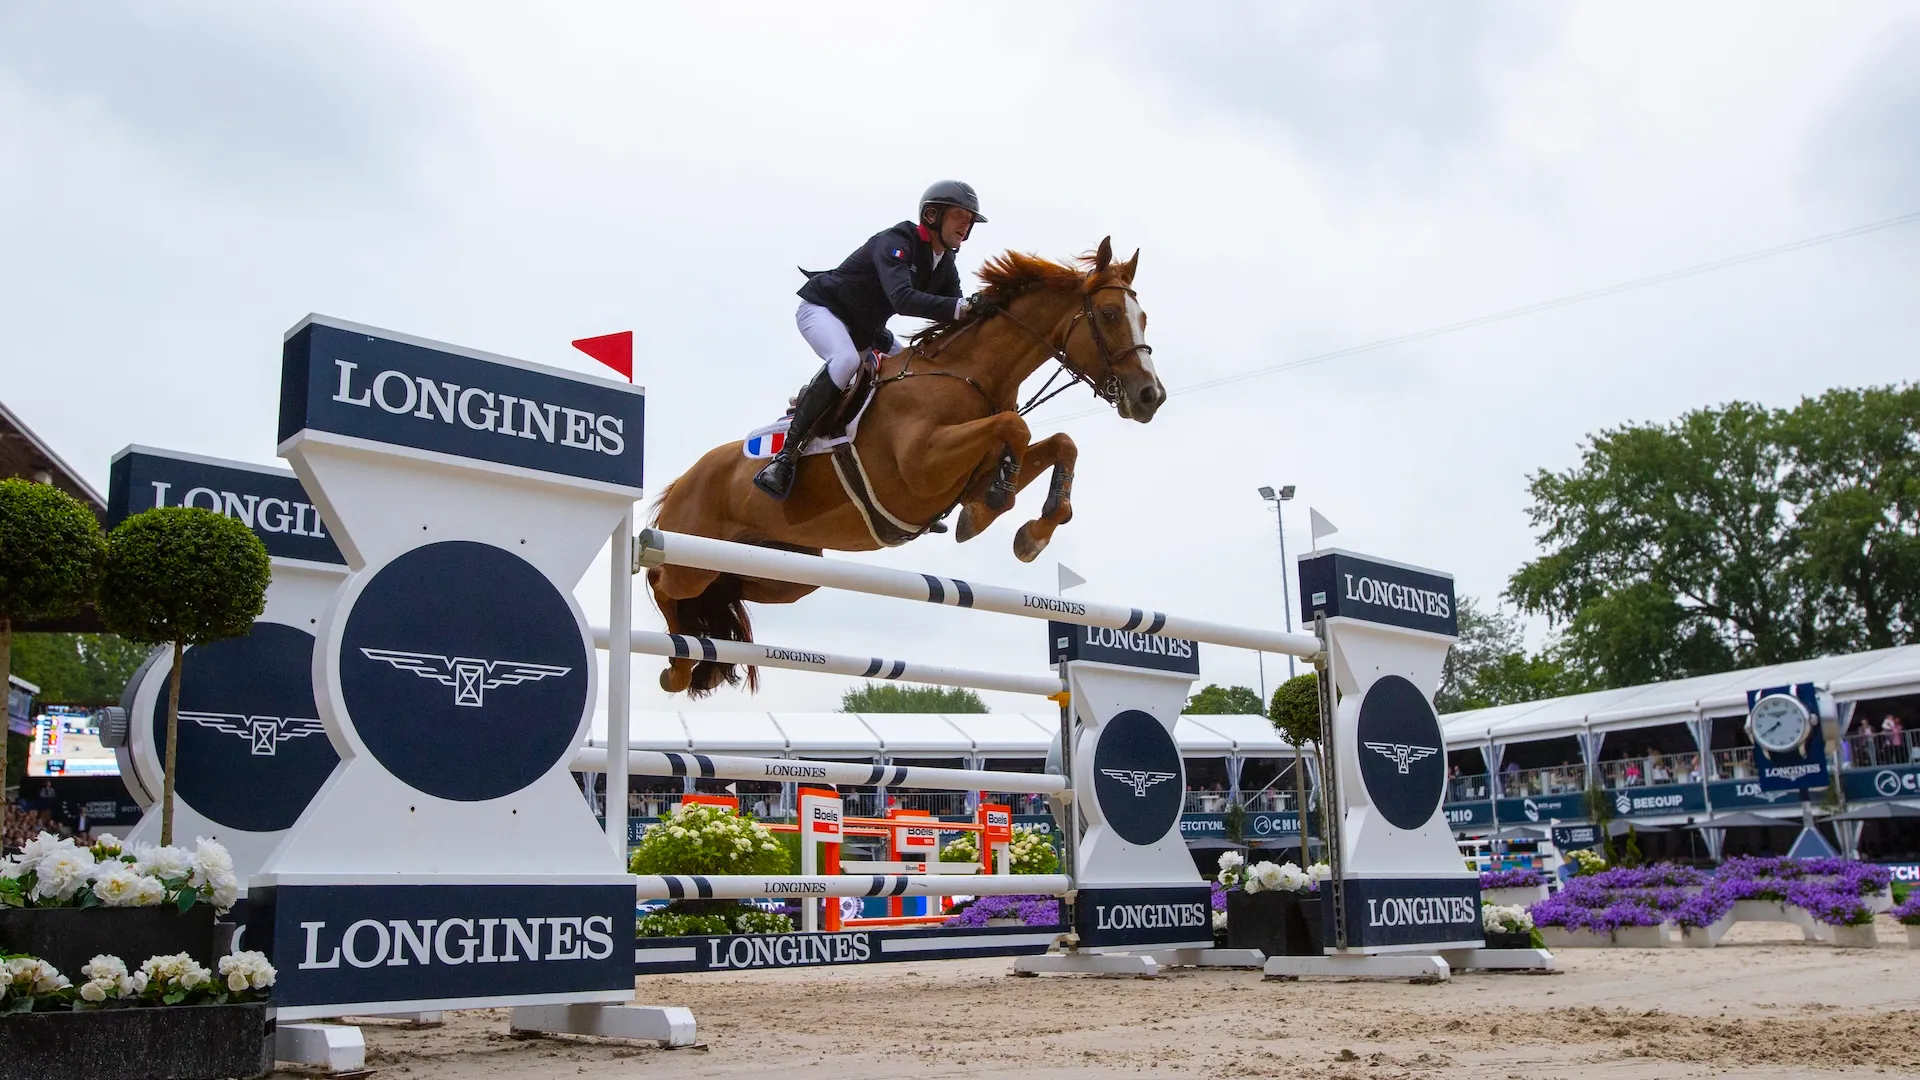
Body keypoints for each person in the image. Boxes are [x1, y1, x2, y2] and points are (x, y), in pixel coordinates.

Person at [753, 180, 993, 503]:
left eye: (970, 220)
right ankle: (784, 458)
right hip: (824, 310)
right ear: (933, 215)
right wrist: (963, 307)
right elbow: (903, 299)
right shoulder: (897, 242)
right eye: (960, 216)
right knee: (846, 360)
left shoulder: (944, 264)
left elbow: (955, 313)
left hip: (867, 332)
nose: (966, 225)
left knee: (916, 365)